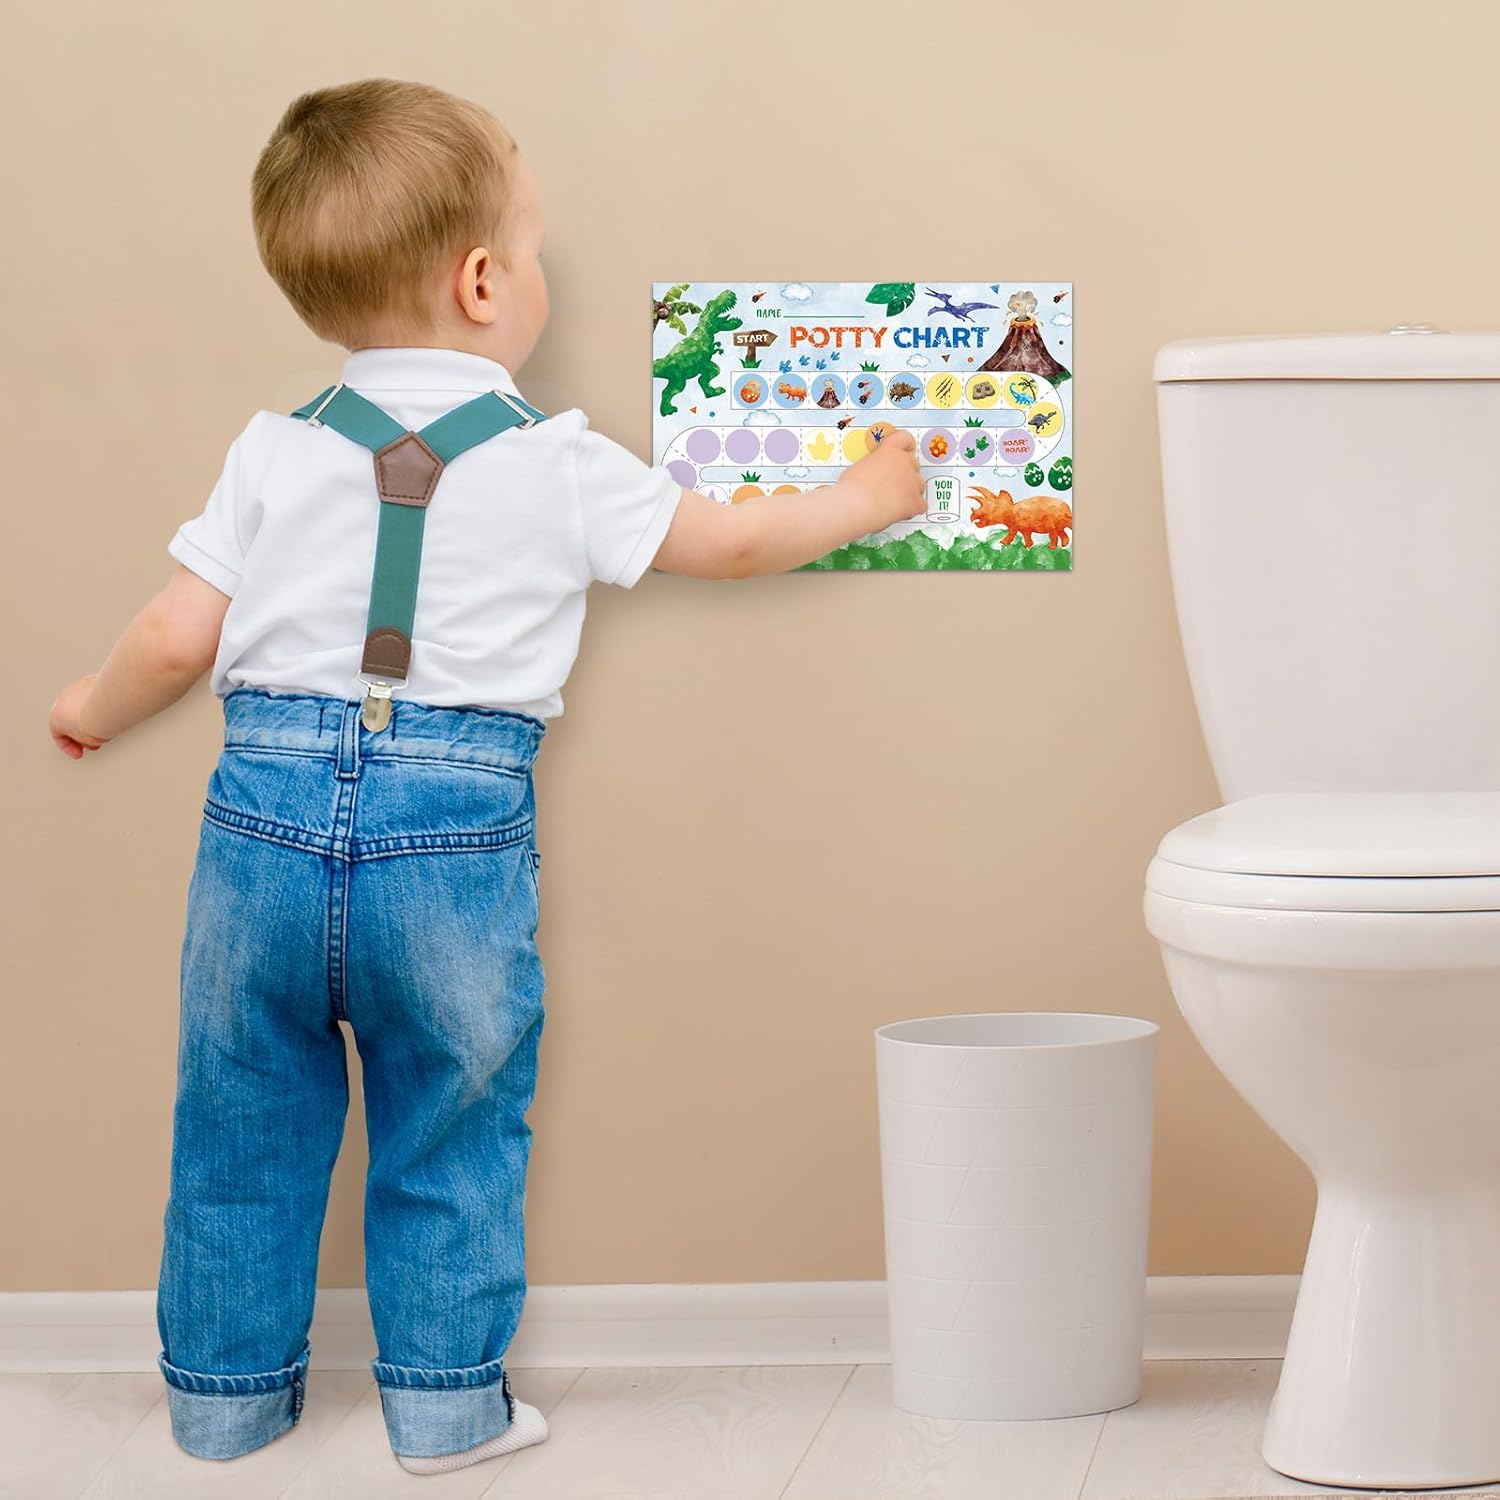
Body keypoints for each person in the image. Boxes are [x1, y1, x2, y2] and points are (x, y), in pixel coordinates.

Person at [47, 79, 923, 1475]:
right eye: (530, 247)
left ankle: (223, 1408)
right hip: (450, 832)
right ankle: (449, 1412)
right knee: (451, 1125)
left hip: (259, 819)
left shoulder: (272, 449)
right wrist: (871, 495)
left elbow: (171, 637)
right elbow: (735, 544)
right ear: (479, 283)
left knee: (239, 1124)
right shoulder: (557, 463)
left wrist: (87, 712)